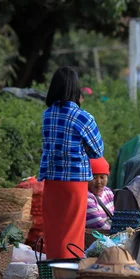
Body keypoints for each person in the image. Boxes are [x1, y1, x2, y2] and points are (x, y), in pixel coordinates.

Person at [39, 67, 104, 259]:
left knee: (53, 231)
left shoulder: (47, 114)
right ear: (76, 90)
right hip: (74, 183)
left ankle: (51, 277)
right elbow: (98, 151)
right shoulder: (83, 117)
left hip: (51, 181)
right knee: (72, 233)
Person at [86, 157, 114, 231]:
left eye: (102, 177)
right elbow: (98, 225)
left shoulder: (108, 192)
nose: (98, 181)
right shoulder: (86, 197)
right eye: (94, 177)